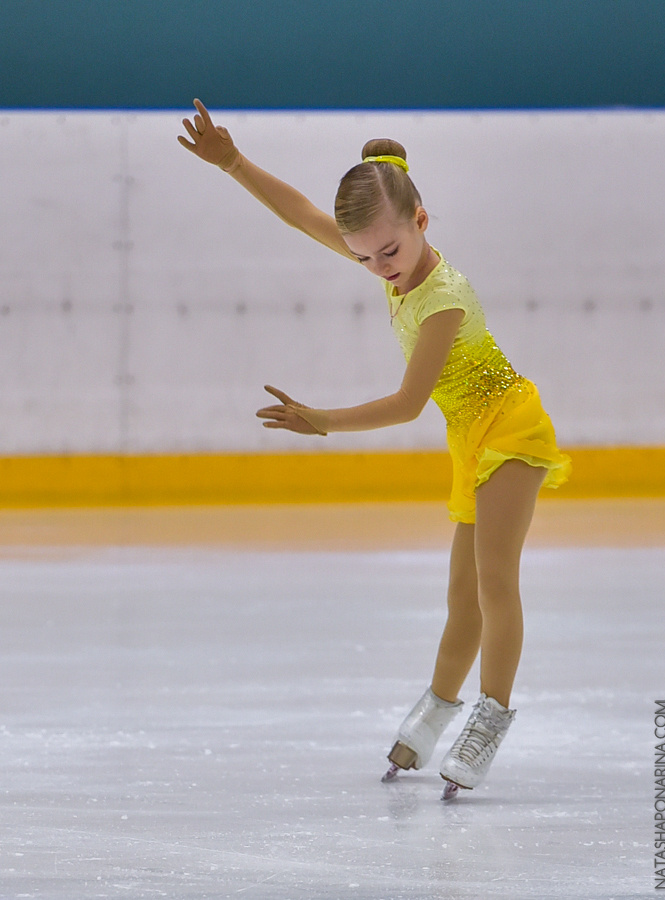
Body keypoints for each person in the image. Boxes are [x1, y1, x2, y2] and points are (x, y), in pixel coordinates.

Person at [178, 99, 571, 800]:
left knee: (493, 584)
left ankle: (489, 720)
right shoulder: (385, 252)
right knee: (460, 596)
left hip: (509, 429)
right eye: (361, 257)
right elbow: (301, 213)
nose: (378, 268)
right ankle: (433, 716)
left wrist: (319, 421)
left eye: (387, 252)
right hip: (469, 436)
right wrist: (232, 163)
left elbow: (405, 404)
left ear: (420, 222)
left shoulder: (442, 297)